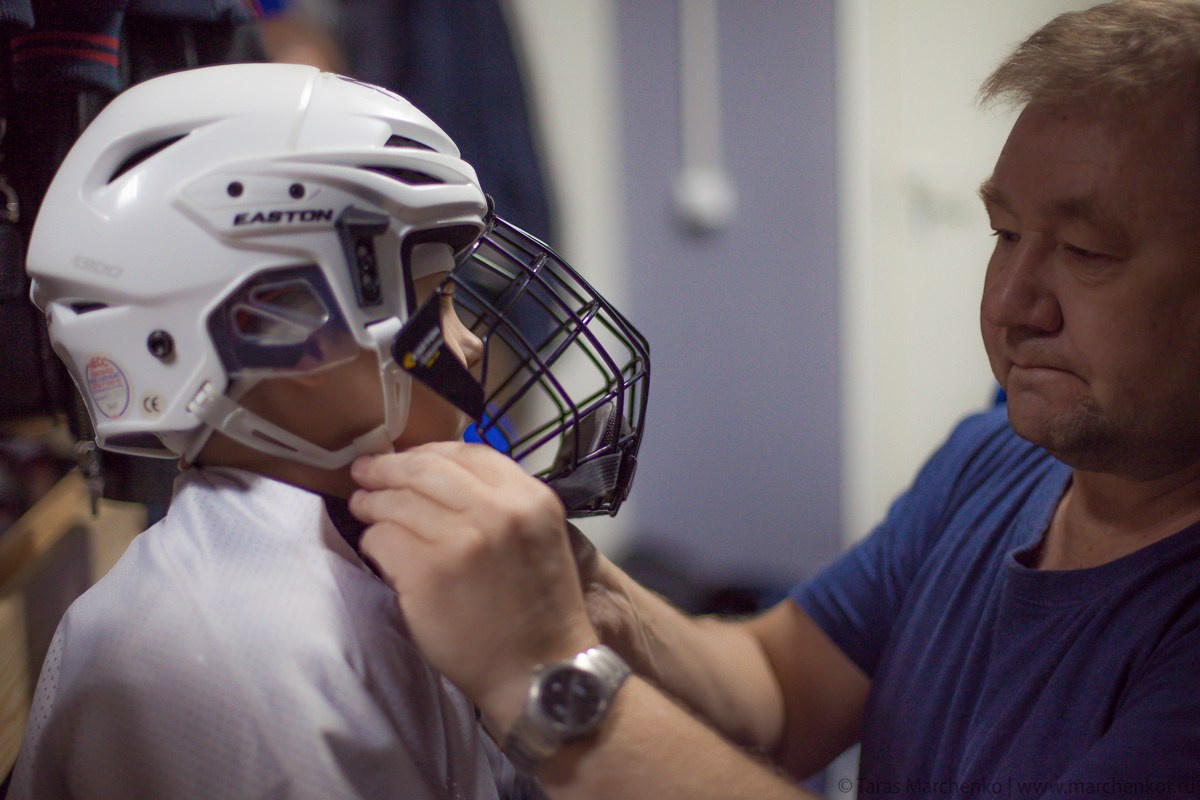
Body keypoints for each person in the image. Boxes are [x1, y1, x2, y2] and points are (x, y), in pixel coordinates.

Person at [348, 1, 1200, 798]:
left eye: (1088, 252)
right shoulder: (995, 457)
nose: (1014, 304)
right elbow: (783, 687)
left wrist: (544, 676)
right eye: (1004, 234)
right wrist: (588, 588)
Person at [7, 62, 649, 799]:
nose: (468, 342)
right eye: (437, 299)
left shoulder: (373, 559)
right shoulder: (231, 668)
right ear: (283, 327)